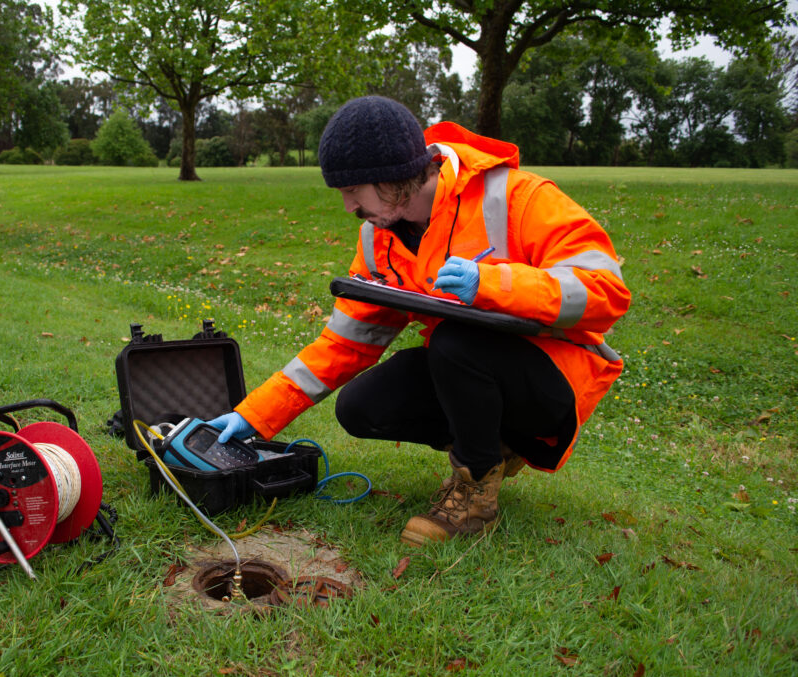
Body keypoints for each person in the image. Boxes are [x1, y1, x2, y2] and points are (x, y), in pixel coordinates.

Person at [210, 96, 631, 546]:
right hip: (468, 369)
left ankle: (474, 495)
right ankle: (494, 447)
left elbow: (607, 292)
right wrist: (254, 417)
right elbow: (344, 343)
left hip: (555, 383)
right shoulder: (378, 235)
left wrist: (493, 284)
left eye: (355, 189)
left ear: (395, 176)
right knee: (360, 407)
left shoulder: (517, 196)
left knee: (455, 340)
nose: (348, 205)